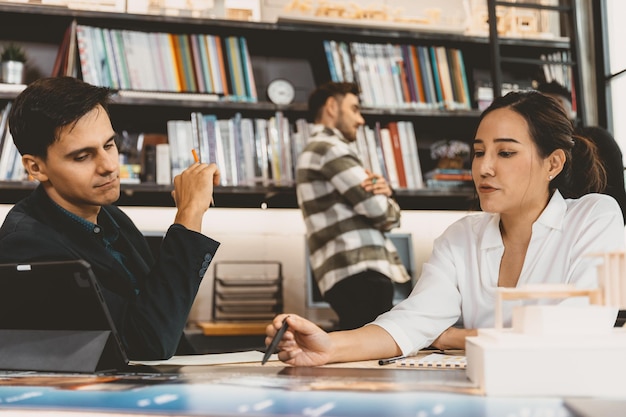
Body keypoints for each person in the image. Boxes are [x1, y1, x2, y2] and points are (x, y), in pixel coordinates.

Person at [267, 90, 625, 366]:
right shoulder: (460, 237)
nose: (484, 168)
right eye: (478, 151)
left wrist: (460, 337)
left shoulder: (595, 217)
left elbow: (581, 327)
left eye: (505, 153)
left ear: (554, 163)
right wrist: (328, 346)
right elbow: (413, 322)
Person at [0, 76, 221, 360]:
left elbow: (158, 315)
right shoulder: (27, 246)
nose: (109, 166)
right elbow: (145, 346)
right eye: (82, 157)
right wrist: (189, 214)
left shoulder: (113, 218)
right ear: (35, 167)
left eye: (109, 145)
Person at [297, 81, 411, 330]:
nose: (361, 120)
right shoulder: (330, 149)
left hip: (347, 275)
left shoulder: (316, 151)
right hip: (361, 272)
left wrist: (385, 194)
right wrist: (390, 202)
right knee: (373, 357)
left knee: (361, 353)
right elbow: (381, 212)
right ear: (331, 107)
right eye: (355, 109)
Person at [537, 81, 626, 223]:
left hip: (602, 219)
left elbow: (617, 191)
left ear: (566, 105)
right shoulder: (543, 145)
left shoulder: (597, 137)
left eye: (558, 102)